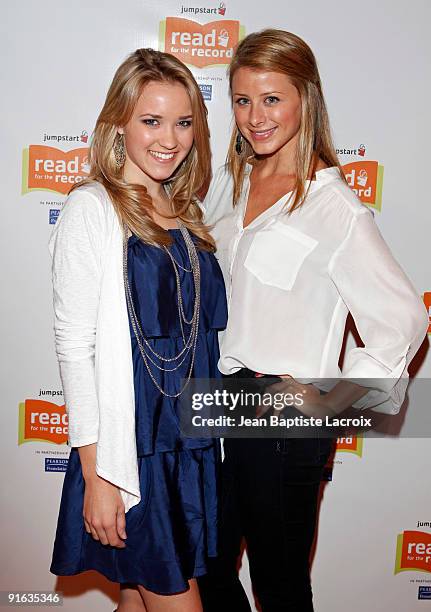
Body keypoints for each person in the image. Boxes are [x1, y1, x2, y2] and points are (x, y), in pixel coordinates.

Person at [199, 29, 429, 611]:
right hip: (218, 404)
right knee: (208, 569)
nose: (255, 116)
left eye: (272, 99)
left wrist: (330, 401)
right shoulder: (235, 182)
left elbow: (402, 317)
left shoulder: (335, 208)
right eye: (243, 99)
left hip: (281, 421)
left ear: (306, 98)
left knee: (278, 587)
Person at [49, 48, 227, 612]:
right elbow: (76, 347)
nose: (169, 138)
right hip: (133, 451)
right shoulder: (92, 208)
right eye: (151, 120)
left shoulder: (186, 209)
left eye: (183, 121)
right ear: (118, 124)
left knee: (135, 596)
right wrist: (99, 475)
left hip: (186, 440)